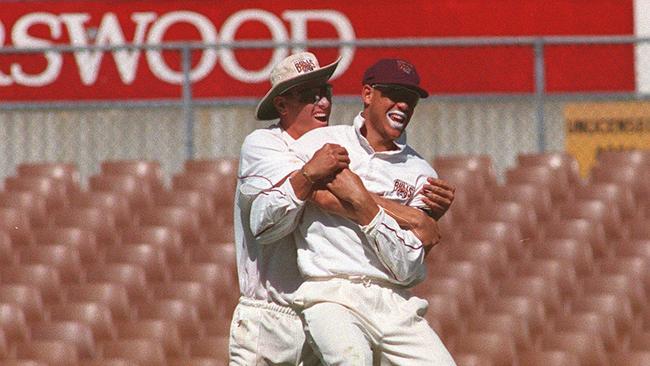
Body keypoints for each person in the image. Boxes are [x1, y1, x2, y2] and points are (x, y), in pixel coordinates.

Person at [230, 52, 455, 365]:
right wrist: (410, 216)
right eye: (309, 95)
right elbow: (273, 223)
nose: (322, 102)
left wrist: (416, 216)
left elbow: (406, 260)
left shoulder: (330, 145)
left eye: (326, 92)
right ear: (281, 104)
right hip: (270, 316)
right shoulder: (265, 144)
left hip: (326, 308)